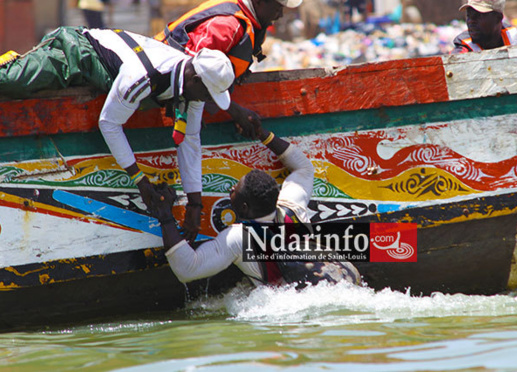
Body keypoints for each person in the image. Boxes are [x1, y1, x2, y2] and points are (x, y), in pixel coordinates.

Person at [0, 26, 235, 241]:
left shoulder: (193, 85)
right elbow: (109, 124)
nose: (208, 103)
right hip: (80, 51)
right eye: (208, 95)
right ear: (195, 80)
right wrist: (140, 180)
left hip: (119, 69)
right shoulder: (143, 77)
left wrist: (195, 206)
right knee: (11, 80)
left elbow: (191, 140)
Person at [151, 125, 361, 287]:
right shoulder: (292, 206)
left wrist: (164, 215)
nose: (229, 189)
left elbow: (187, 270)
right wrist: (262, 133)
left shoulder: (239, 238)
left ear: (243, 208)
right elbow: (304, 168)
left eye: (233, 189)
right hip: (344, 281)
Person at [154, 0, 302, 139]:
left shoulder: (250, 21)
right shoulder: (227, 26)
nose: (280, 15)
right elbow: (194, 75)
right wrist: (236, 111)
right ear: (258, 1)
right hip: (162, 83)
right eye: (278, 8)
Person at [451, 0, 517, 55]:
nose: (471, 21)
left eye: (478, 16)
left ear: (498, 18)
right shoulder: (464, 49)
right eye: (469, 16)